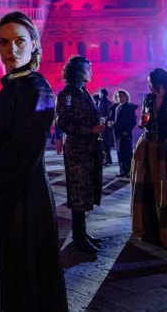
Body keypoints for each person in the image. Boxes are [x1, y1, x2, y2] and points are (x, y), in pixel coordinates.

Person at [0, 11, 68, 312]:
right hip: (8, 196)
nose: (11, 49)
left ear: (34, 44)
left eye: (19, 41)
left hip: (25, 198)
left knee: (26, 286)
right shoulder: (12, 87)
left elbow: (21, 153)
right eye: (3, 42)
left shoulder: (37, 88)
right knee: (12, 281)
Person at [130, 68, 167, 251]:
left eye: (151, 83)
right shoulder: (148, 99)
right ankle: (149, 225)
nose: (149, 86)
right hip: (148, 143)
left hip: (165, 143)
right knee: (146, 182)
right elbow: (144, 117)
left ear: (159, 83)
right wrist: (143, 123)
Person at [56, 55, 105, 254]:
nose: (90, 72)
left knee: (86, 192)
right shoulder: (67, 94)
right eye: (87, 69)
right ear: (77, 71)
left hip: (89, 149)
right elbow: (63, 122)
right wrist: (90, 130)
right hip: (77, 151)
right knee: (78, 193)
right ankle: (78, 237)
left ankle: (82, 232)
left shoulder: (83, 92)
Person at [109, 89, 137, 178]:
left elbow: (133, 121)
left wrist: (126, 131)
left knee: (127, 153)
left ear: (125, 96)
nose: (119, 98)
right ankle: (123, 171)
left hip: (125, 134)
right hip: (116, 132)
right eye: (118, 96)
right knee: (119, 152)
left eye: (121, 96)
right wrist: (110, 123)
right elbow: (113, 118)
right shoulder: (116, 106)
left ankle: (130, 171)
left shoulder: (129, 107)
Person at [97, 88, 113, 166]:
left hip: (105, 125)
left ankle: (108, 159)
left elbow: (109, 113)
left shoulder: (106, 102)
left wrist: (103, 120)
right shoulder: (102, 101)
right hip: (102, 123)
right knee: (103, 142)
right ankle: (106, 158)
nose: (99, 94)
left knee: (105, 142)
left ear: (102, 94)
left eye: (100, 93)